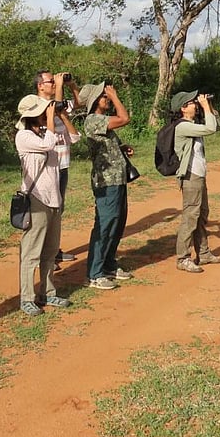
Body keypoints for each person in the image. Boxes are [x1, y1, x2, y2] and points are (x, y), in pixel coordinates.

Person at [14, 94, 74, 315]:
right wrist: (50, 117)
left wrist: (60, 116)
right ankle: (27, 297)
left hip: (54, 198)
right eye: (42, 111)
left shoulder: (44, 132)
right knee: (31, 252)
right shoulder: (23, 136)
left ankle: (48, 292)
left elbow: (72, 139)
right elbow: (48, 144)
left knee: (49, 251)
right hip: (36, 199)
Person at [79, 82, 133, 290]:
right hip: (105, 181)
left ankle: (109, 264)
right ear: (94, 102)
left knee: (117, 223)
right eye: (104, 96)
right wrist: (116, 95)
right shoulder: (92, 120)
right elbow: (124, 119)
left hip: (116, 179)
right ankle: (94, 273)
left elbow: (107, 144)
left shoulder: (102, 121)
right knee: (105, 224)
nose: (108, 98)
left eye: (107, 95)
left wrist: (122, 148)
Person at [34, 69, 82, 267]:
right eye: (51, 81)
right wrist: (61, 86)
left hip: (62, 164)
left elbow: (78, 105)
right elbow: (56, 111)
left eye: (55, 81)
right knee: (47, 210)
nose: (54, 83)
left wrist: (72, 86)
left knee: (58, 209)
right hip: (47, 166)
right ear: (40, 85)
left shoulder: (57, 99)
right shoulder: (35, 104)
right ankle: (43, 255)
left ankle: (54, 251)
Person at [170, 90, 220, 273]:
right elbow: (210, 128)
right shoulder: (182, 126)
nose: (196, 104)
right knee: (190, 217)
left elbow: (217, 126)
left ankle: (204, 253)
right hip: (190, 177)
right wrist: (206, 106)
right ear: (183, 108)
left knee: (201, 214)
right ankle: (183, 258)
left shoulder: (193, 124)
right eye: (192, 102)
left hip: (199, 176)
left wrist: (210, 106)